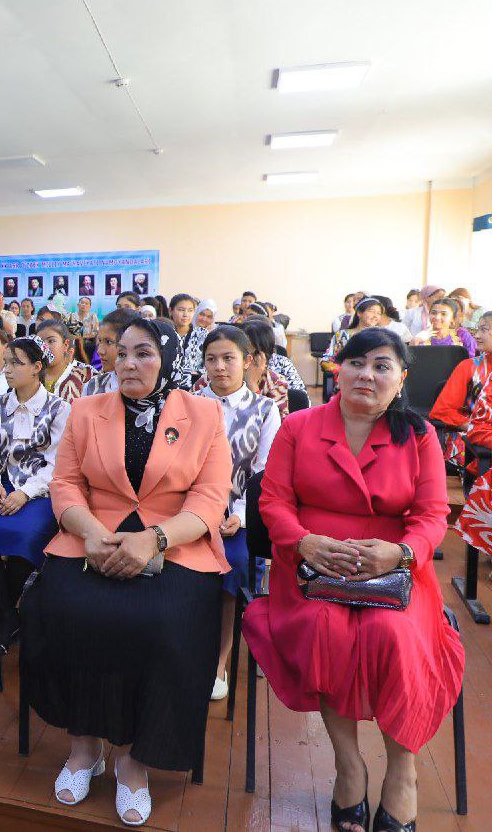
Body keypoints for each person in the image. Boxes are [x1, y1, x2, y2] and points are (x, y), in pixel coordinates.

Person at [243, 328, 463, 832]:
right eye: (356, 363)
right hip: (312, 566)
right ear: (336, 369)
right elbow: (273, 500)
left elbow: (432, 514)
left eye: (382, 365)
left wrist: (402, 553)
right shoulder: (298, 426)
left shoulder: (420, 435)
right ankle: (349, 765)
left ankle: (403, 771)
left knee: (394, 636)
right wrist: (303, 542)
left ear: (401, 378)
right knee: (325, 630)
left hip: (395, 567)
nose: (367, 374)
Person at [22, 317, 230, 825]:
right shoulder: (85, 409)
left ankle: (134, 761)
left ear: (168, 359)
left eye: (145, 353)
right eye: (121, 353)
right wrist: (90, 532)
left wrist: (155, 538)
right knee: (66, 610)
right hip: (93, 533)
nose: (130, 363)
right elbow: (65, 484)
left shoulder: (203, 414)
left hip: (174, 540)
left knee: (164, 624)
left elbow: (208, 497)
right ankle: (84, 746)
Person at [193, 327, 279, 701]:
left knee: (234, 561)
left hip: (237, 517)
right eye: (211, 359)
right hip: (190, 511)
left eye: (228, 358)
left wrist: (240, 515)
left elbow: (264, 473)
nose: (220, 367)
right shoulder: (187, 404)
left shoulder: (265, 409)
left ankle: (218, 661)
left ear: (247, 361)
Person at [0, 335, 67, 652]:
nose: (8, 369)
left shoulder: (58, 409)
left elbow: (57, 465)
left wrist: (25, 493)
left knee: (23, 536)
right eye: (6, 362)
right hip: (2, 486)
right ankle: (7, 616)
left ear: (37, 368)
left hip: (41, 491)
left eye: (16, 363)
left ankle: (2, 617)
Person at [440, 312, 492, 532]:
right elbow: (442, 411)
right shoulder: (469, 367)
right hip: (473, 438)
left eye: (485, 329)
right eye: (477, 329)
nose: (477, 335)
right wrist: (473, 427)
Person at [81, 308, 141, 397]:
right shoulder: (92, 387)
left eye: (109, 342)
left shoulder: (150, 389)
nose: (100, 351)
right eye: (100, 341)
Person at [321, 298, 384, 375]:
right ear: (359, 313)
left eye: (379, 313)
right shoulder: (341, 335)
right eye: (372, 311)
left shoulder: (382, 338)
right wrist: (345, 372)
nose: (375, 316)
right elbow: (327, 360)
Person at [36, 321, 93, 401]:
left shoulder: (85, 377)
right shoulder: (31, 376)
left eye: (51, 341)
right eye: (40, 342)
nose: (45, 347)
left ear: (65, 345)